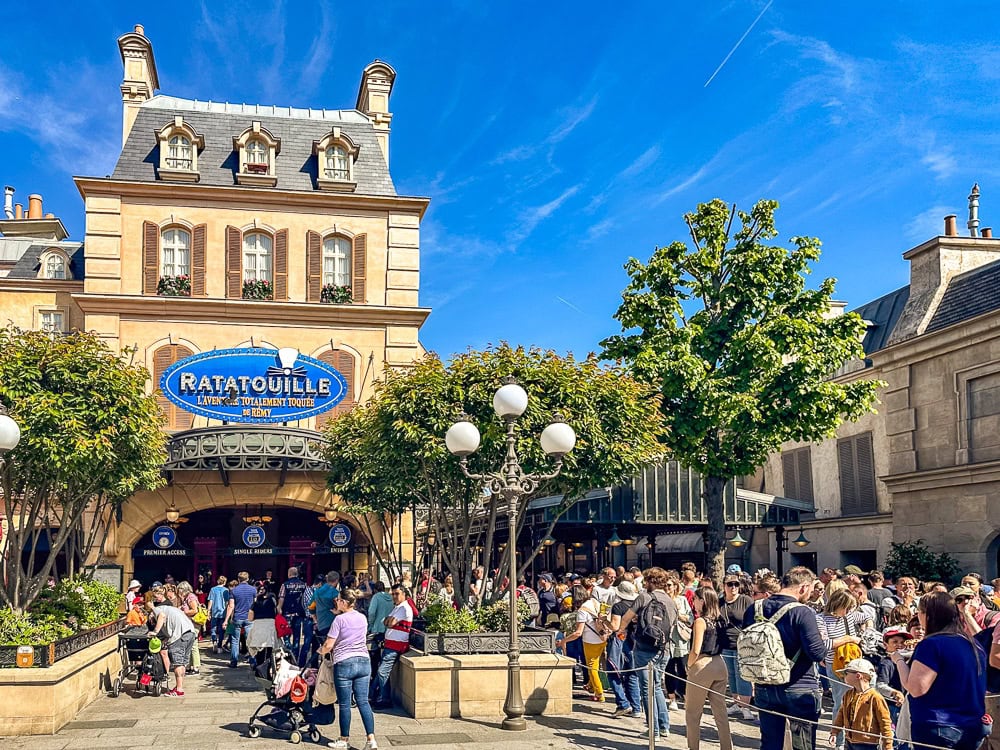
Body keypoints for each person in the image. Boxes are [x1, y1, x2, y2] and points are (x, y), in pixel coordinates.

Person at [742, 566, 828, 750]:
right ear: (804, 587)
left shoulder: (754, 608)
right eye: (811, 589)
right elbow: (817, 653)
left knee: (770, 744)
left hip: (764, 684)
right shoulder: (802, 612)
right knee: (802, 745)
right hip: (799, 686)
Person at [892, 591, 987, 750]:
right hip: (972, 726)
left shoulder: (932, 644)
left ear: (927, 615)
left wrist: (898, 660)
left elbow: (916, 688)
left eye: (920, 612)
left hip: (939, 727)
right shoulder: (974, 645)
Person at [618, 567, 677, 741]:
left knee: (647, 689)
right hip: (663, 649)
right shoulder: (671, 601)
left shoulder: (644, 597)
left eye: (646, 581)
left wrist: (620, 631)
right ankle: (664, 726)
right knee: (657, 686)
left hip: (644, 648)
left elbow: (626, 618)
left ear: (651, 581)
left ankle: (654, 731)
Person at [318, 588, 378, 750]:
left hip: (344, 663)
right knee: (363, 702)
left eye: (338, 599)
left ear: (344, 602)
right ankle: (371, 739)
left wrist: (320, 651)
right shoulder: (362, 618)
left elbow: (328, 645)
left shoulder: (339, 620)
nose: (336, 602)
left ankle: (344, 739)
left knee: (344, 704)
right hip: (364, 662)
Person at [686, 586, 732, 750]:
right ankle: (727, 747)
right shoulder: (721, 619)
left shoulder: (700, 621)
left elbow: (696, 649)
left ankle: (694, 747)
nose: (693, 602)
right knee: (721, 712)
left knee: (693, 713)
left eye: (695, 599)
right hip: (719, 663)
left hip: (702, 664)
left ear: (702, 601)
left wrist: (689, 665)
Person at [830, 658, 893, 750]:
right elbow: (841, 715)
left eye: (846, 673)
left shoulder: (875, 698)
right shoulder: (848, 694)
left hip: (868, 744)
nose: (843, 676)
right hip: (849, 741)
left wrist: (888, 746)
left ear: (858, 675)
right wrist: (834, 732)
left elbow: (885, 723)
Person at [561, 585, 609, 701]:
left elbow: (578, 632)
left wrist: (564, 641)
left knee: (592, 668)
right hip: (603, 638)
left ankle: (599, 693)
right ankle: (590, 685)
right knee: (596, 665)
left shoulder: (582, 611)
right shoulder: (594, 601)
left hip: (590, 642)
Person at [149, 585, 197, 697]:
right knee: (183, 662)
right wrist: (166, 638)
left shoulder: (158, 609)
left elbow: (161, 616)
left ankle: (179, 689)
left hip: (180, 635)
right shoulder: (171, 608)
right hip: (190, 632)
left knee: (177, 663)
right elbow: (170, 625)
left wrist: (155, 631)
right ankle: (179, 686)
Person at [720, 573, 754, 720]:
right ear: (724, 587)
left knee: (743, 675)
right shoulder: (719, 602)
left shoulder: (745, 600)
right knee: (731, 675)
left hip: (743, 644)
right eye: (730, 584)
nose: (733, 587)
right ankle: (736, 703)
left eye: (736, 584)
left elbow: (754, 619)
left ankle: (746, 706)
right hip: (726, 644)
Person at [372, 584, 413, 708]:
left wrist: (389, 621)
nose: (394, 596)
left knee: (382, 671)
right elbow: (386, 621)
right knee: (382, 671)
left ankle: (383, 698)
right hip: (391, 644)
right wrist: (388, 621)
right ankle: (374, 695)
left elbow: (390, 623)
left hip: (396, 645)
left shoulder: (404, 608)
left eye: (397, 594)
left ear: (404, 594)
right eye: (393, 594)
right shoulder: (397, 607)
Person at [607, 580, 642, 718]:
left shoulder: (619, 606)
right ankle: (636, 708)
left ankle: (623, 703)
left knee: (613, 672)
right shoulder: (638, 605)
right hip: (636, 642)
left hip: (620, 642)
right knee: (632, 674)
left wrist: (604, 620)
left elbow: (615, 627)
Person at [665, 576, 692, 710]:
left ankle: (686, 696)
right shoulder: (662, 600)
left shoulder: (682, 600)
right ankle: (672, 698)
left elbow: (690, 618)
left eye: (669, 585)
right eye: (665, 585)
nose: (667, 588)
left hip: (680, 639)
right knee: (669, 670)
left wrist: (678, 614)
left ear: (675, 586)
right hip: (666, 639)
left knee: (683, 669)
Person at [222, 571, 257, 668]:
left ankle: (234, 662)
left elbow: (231, 606)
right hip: (249, 618)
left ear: (238, 579)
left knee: (235, 640)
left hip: (237, 618)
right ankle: (253, 661)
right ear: (248, 579)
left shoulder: (234, 591)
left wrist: (226, 620)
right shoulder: (253, 590)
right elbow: (255, 604)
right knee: (250, 640)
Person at [277, 566, 308, 658]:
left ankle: (289, 654)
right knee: (297, 636)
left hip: (287, 613)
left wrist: (279, 610)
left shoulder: (285, 585)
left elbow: (281, 599)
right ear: (297, 574)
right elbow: (305, 600)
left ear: (289, 574)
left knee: (286, 635)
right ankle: (295, 655)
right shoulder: (303, 585)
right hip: (298, 613)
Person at [177, 581, 202, 675]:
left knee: (194, 645)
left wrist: (183, 612)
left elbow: (194, 610)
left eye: (180, 590)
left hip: (194, 624)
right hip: (189, 623)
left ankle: (195, 667)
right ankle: (190, 666)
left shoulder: (191, 597)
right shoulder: (186, 598)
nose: (179, 592)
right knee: (190, 645)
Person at [207, 575, 230, 653]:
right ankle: (219, 646)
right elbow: (227, 602)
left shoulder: (213, 589)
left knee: (213, 629)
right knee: (221, 631)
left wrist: (208, 611)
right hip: (223, 612)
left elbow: (211, 601)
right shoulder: (226, 590)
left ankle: (214, 641)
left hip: (214, 612)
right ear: (225, 582)